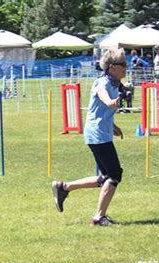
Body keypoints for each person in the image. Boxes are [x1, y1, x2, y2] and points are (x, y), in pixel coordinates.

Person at [52, 48, 125, 226]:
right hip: (98, 135)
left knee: (106, 176)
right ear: (113, 67)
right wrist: (110, 102)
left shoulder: (113, 83)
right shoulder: (102, 83)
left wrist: (113, 125)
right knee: (114, 175)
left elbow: (99, 111)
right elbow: (103, 97)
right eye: (123, 64)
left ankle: (64, 187)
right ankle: (99, 217)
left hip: (101, 132)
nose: (126, 67)